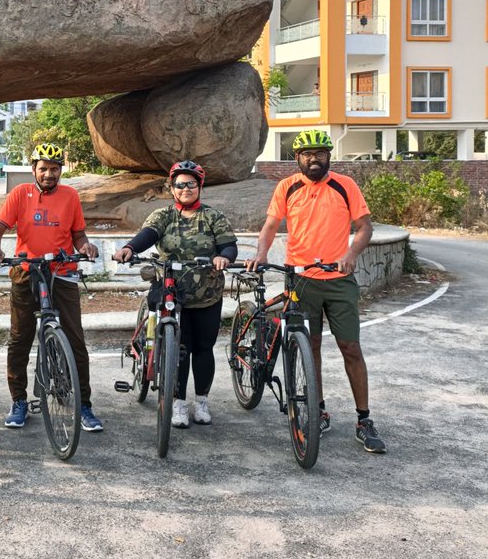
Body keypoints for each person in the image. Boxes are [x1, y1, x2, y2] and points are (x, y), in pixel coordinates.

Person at [248, 129, 385, 454]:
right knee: (310, 348)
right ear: (297, 158)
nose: (314, 159)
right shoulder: (287, 186)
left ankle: (364, 420)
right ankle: (317, 409)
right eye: (307, 154)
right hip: (300, 280)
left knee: (350, 347)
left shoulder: (344, 185)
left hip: (337, 280)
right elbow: (270, 225)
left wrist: (350, 255)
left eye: (320, 152)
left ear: (328, 156)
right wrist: (261, 253)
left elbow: (365, 226)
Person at [0, 142, 103, 432]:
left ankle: (84, 405)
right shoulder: (20, 194)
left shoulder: (70, 195)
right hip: (27, 272)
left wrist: (85, 245)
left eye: (54, 169)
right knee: (20, 339)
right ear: (34, 170)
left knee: (75, 339)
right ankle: (19, 401)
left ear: (60, 170)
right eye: (43, 169)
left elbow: (78, 233)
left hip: (62, 272)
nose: (49, 174)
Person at [113, 159, 237, 427]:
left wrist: (223, 258)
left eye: (191, 183)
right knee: (178, 349)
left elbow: (228, 246)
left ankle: (201, 401)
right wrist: (130, 248)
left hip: (207, 295)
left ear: (199, 186)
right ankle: (178, 404)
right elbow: (147, 234)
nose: (185, 188)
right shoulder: (164, 215)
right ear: (172, 189)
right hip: (173, 295)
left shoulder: (213, 216)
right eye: (180, 185)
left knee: (203, 349)